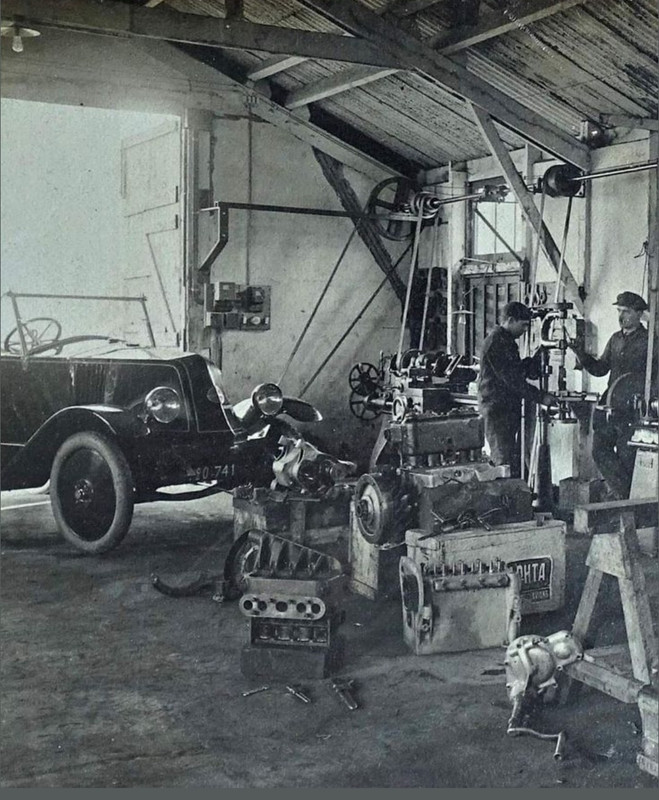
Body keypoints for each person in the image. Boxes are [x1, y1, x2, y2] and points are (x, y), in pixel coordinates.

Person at [568, 291, 650, 499]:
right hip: (611, 406)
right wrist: (580, 354)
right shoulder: (615, 339)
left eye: (626, 312)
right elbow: (600, 369)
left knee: (627, 457)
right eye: (619, 311)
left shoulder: (650, 342)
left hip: (634, 410)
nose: (621, 316)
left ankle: (627, 503)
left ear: (639, 314)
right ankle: (623, 497)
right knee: (599, 450)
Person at [478, 301, 556, 477]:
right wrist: (541, 397)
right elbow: (512, 380)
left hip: (505, 408)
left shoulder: (506, 341)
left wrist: (534, 360)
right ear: (510, 320)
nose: (525, 330)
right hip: (496, 409)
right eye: (523, 325)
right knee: (502, 461)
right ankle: (502, 494)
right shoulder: (496, 342)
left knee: (512, 459)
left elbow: (515, 370)